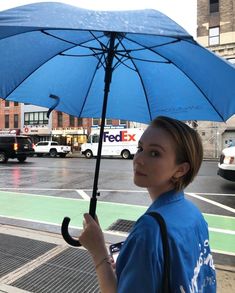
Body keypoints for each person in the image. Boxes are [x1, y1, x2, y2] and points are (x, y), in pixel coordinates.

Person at [79, 116, 216, 293]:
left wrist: (98, 251)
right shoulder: (194, 214)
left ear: (180, 169)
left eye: (154, 153)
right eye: (140, 148)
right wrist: (132, 260)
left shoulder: (149, 230)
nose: (138, 160)